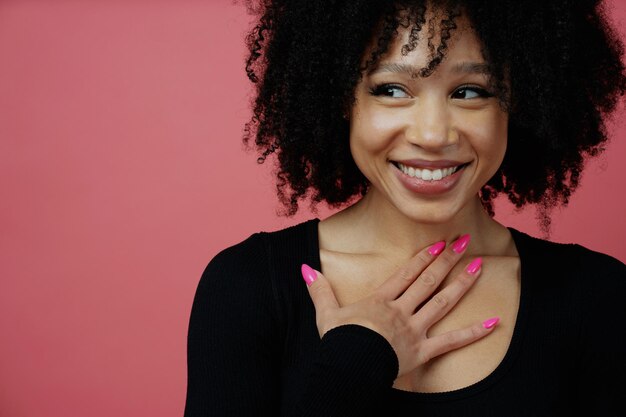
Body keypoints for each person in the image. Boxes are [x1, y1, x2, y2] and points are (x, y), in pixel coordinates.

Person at [184, 1, 626, 415]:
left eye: (471, 92)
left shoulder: (599, 297)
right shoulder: (248, 287)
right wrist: (357, 362)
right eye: (392, 89)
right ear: (341, 98)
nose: (433, 135)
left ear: (520, 102)